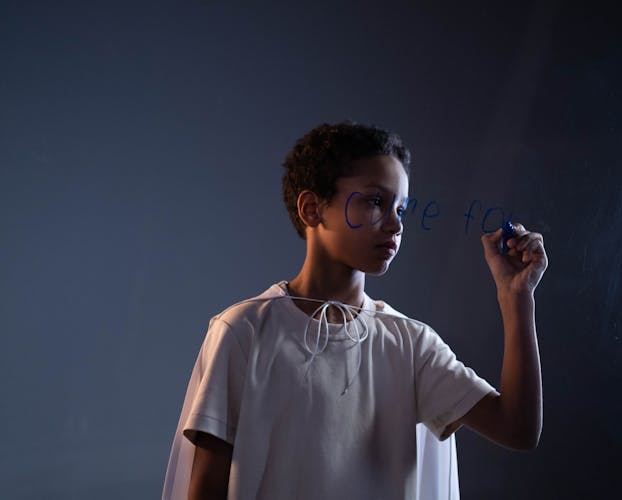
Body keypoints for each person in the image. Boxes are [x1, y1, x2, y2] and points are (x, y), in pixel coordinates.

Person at [162, 121, 547, 500]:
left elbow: (518, 429)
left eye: (402, 208)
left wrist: (516, 298)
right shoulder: (244, 330)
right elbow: (206, 488)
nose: (396, 223)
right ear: (312, 208)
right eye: (376, 202)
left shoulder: (411, 344)